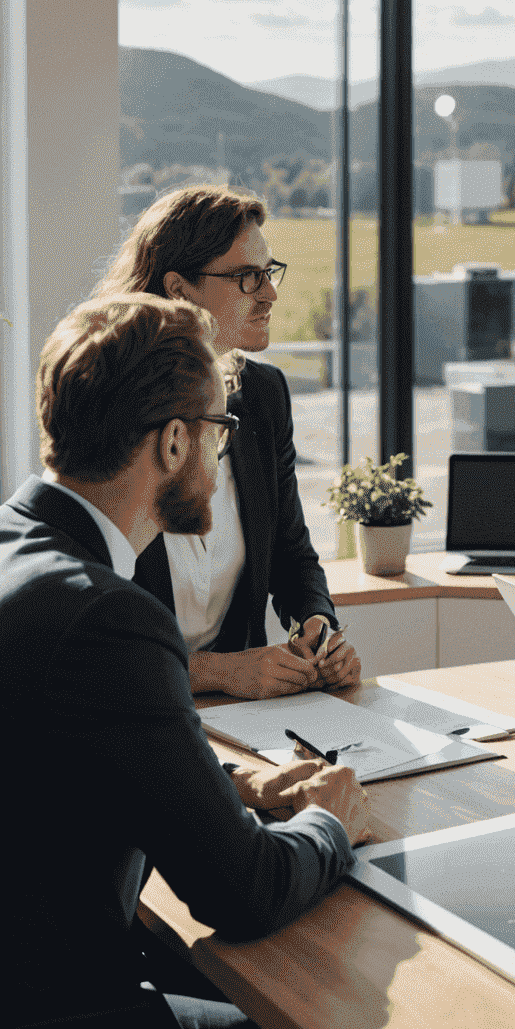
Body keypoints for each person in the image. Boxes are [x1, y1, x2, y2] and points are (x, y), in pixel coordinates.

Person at [0, 294, 373, 1029]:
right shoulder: (106, 616)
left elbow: (59, 755)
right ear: (176, 440)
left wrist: (239, 787)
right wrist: (331, 823)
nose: (224, 458)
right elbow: (245, 892)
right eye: (221, 431)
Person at [97, 183, 360, 701]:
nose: (270, 293)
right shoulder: (111, 415)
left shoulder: (262, 396)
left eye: (268, 272)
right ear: (179, 289)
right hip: (137, 709)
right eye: (247, 277)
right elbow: (95, 639)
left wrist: (317, 626)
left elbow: (291, 554)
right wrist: (215, 672)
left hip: (250, 719)